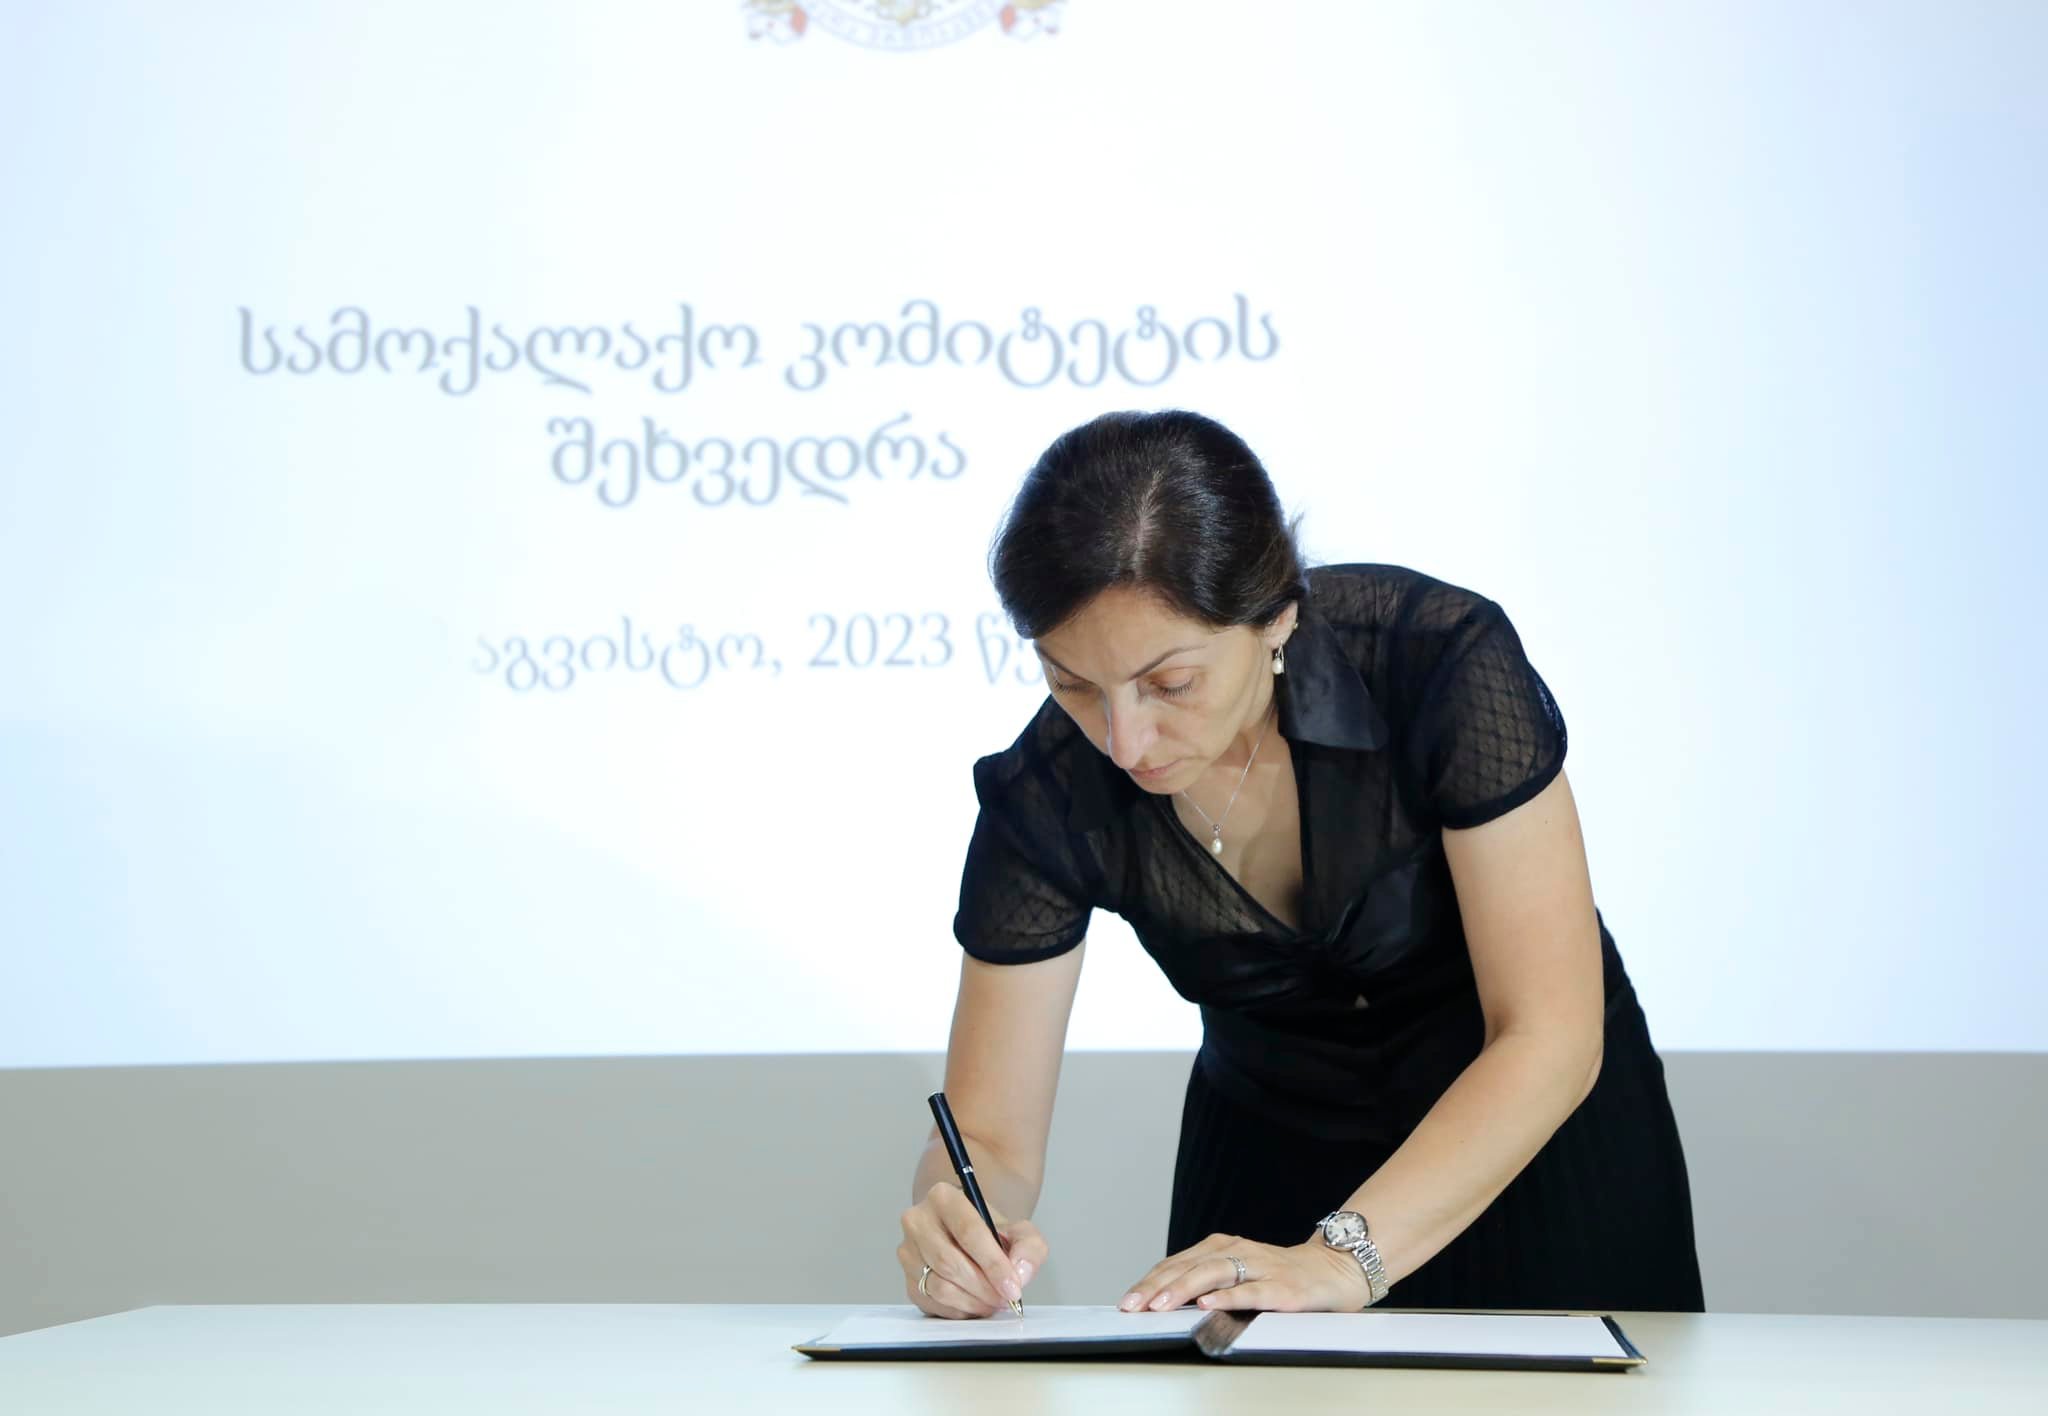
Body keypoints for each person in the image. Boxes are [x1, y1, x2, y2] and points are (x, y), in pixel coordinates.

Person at [896, 409, 1705, 1319]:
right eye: (1072, 683)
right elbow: (991, 1138)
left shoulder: (1434, 663)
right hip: (1265, 1179)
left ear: (1277, 614)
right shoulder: (1044, 789)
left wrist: (1342, 1259)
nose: (1123, 741)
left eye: (1171, 683)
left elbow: (1549, 1032)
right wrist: (956, 1221)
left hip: (1528, 1149)